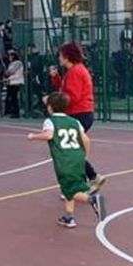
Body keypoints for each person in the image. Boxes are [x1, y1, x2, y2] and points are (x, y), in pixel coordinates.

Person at [27, 92, 108, 229]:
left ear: (50, 107)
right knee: (69, 187)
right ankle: (69, 217)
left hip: (64, 161)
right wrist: (84, 157)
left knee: (70, 190)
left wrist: (33, 136)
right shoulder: (74, 121)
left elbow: (49, 135)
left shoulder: (50, 121)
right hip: (77, 158)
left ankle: (92, 200)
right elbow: (86, 140)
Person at [48, 42, 99, 184]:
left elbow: (72, 96)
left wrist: (52, 101)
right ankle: (86, 180)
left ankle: (92, 177)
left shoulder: (76, 72)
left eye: (60, 55)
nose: (59, 58)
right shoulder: (74, 71)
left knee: (70, 151)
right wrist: (56, 78)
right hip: (81, 113)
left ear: (66, 57)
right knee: (73, 149)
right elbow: (65, 90)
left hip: (79, 113)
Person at [4, 49, 25, 118]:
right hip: (11, 82)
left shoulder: (18, 63)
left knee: (14, 98)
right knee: (10, 98)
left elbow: (11, 71)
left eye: (10, 56)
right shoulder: (11, 63)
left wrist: (8, 75)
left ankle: (16, 112)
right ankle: (10, 111)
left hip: (16, 82)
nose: (9, 57)